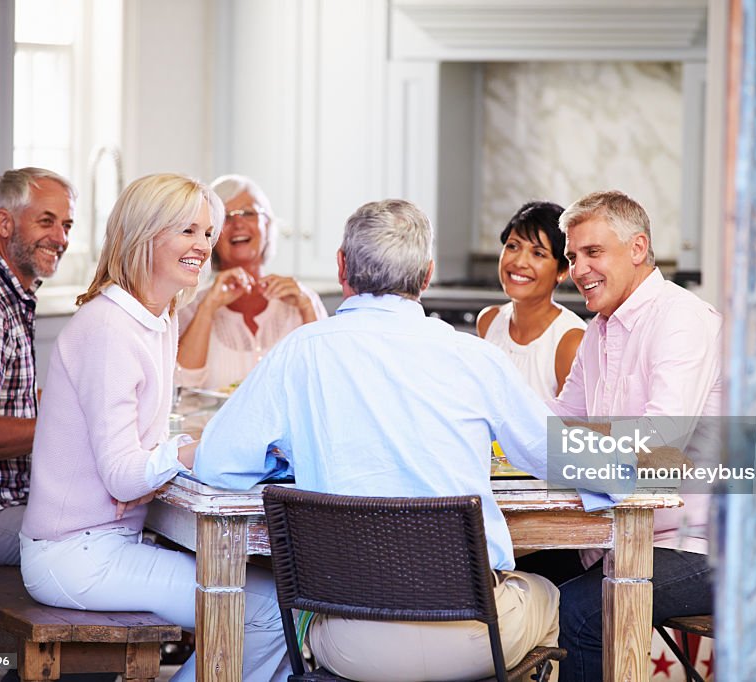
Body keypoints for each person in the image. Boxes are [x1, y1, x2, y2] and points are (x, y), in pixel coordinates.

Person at [195, 199, 560, 682]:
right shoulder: (474, 357)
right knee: (550, 597)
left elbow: (216, 463)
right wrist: (642, 461)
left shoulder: (300, 352)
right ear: (427, 275)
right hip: (473, 636)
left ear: (342, 265)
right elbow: (560, 454)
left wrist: (284, 459)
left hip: (351, 643)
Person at [19, 173, 289, 682]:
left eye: (207, 233)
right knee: (271, 612)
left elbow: (135, 460)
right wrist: (189, 451)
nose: (204, 246)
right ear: (145, 234)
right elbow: (124, 475)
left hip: (108, 540)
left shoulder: (157, 319)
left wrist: (152, 466)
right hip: (75, 554)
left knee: (276, 607)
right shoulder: (109, 328)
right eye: (188, 231)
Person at [548, 190, 721, 682]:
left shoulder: (680, 319)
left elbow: (659, 445)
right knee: (511, 582)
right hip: (615, 539)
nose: (578, 270)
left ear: (638, 248)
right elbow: (558, 422)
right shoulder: (597, 331)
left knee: (577, 613)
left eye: (592, 252)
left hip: (697, 548)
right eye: (572, 256)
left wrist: (572, 445)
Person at [0, 167, 76, 566]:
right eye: (47, 221)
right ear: (4, 223)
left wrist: (78, 401)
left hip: (13, 501)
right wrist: (72, 427)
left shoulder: (13, 293)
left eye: (67, 225)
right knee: (120, 531)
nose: (61, 239)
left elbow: (16, 402)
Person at [176, 174, 326, 391]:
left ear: (267, 225)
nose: (238, 224)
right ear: (211, 235)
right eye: (226, 217)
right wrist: (207, 309)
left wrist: (306, 308)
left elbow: (325, 381)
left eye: (248, 213)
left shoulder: (304, 300)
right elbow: (181, 384)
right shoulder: (190, 305)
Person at [477, 201, 585, 400]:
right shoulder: (488, 320)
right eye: (513, 246)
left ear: (562, 271)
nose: (519, 262)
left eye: (538, 253)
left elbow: (570, 428)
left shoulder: (571, 341)